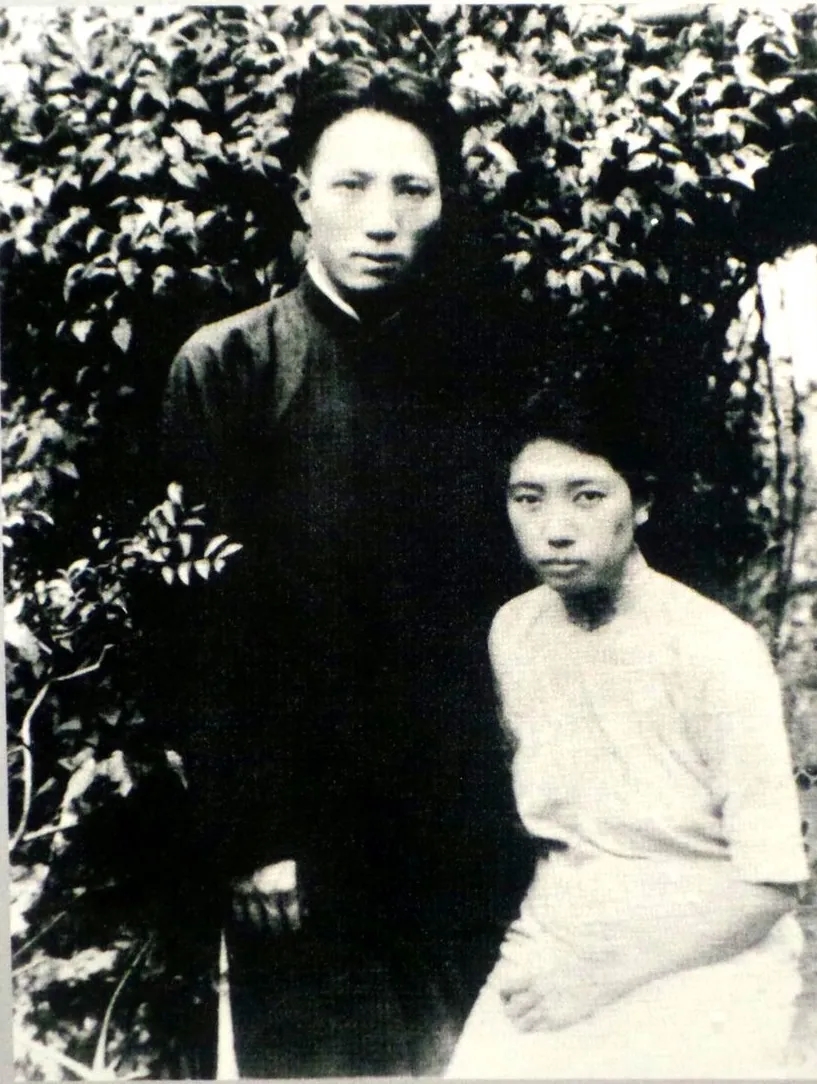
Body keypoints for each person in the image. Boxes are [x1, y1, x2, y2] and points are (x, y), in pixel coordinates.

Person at [157, 57, 533, 1078]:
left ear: (444, 204)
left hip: (467, 830)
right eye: (352, 185)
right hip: (303, 854)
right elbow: (201, 635)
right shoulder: (229, 368)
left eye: (412, 190)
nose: (381, 221)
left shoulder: (485, 370)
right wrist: (253, 836)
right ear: (303, 197)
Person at [445, 391, 809, 1079]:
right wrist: (567, 965)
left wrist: (600, 978)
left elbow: (770, 885)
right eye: (528, 500)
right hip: (557, 934)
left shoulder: (713, 647)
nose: (555, 530)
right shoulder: (515, 630)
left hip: (708, 949)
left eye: (587, 497)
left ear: (640, 502)